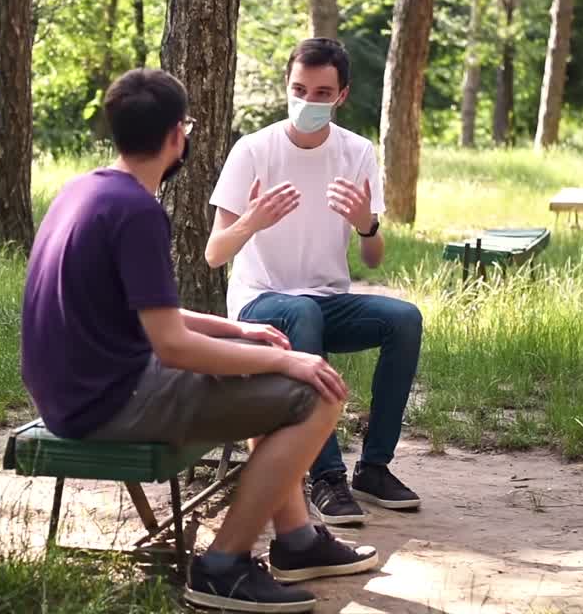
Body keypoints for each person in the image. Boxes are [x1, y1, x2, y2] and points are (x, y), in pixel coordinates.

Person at [21, 68, 378, 613]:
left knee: (269, 365)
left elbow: (150, 314)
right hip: (107, 401)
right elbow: (173, 348)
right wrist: (290, 366)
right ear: (175, 136)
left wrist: (239, 330)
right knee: (318, 395)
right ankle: (222, 566)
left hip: (74, 390)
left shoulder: (86, 189)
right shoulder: (138, 211)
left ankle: (298, 541)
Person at [206, 38, 424, 527]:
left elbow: (372, 256)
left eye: (322, 92)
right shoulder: (254, 150)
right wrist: (252, 222)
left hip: (327, 300)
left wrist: (368, 224)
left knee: (404, 319)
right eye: (299, 89)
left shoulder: (356, 152)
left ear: (342, 96)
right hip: (261, 302)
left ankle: (375, 467)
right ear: (286, 88)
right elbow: (214, 252)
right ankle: (326, 477)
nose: (308, 101)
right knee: (301, 313)